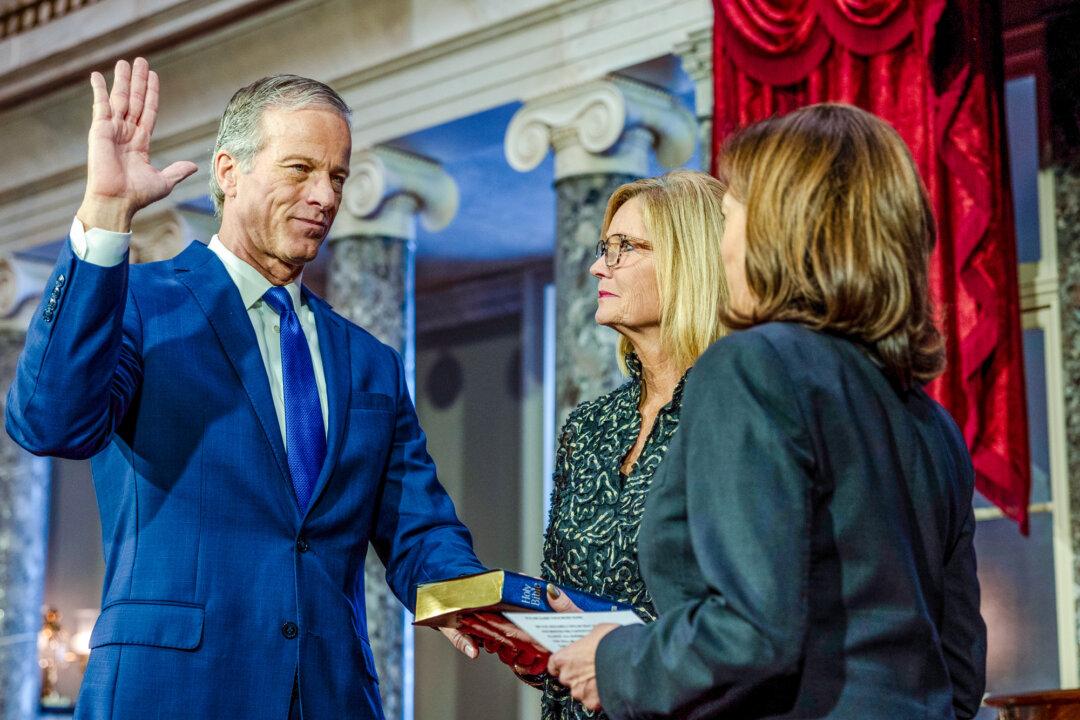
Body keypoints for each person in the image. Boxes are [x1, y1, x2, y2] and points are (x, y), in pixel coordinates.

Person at [5, 58, 485, 720]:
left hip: (329, 698)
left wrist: (473, 602)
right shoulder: (142, 304)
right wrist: (107, 213)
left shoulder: (368, 359)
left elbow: (417, 527)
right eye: (300, 169)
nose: (325, 195)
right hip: (171, 696)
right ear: (229, 173)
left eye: (337, 176)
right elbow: (48, 421)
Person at [548, 103, 987, 718]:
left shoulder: (752, 368)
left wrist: (613, 660)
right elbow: (960, 672)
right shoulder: (930, 422)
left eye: (728, 218)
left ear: (779, 230)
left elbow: (750, 631)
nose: (720, 249)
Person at [463, 171, 729, 720]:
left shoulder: (733, 413)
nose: (596, 266)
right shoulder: (587, 426)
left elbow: (747, 617)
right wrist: (532, 635)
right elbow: (560, 590)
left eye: (624, 248)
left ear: (688, 260)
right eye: (604, 247)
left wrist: (614, 645)